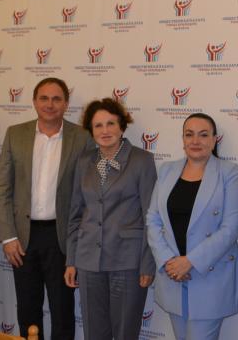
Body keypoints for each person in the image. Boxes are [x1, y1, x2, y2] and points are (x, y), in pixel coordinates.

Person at [0, 77, 91, 340]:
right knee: (27, 308)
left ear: (66, 104)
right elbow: (2, 188)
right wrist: (8, 236)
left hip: (61, 237)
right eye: (44, 98)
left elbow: (88, 194)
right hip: (22, 238)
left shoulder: (82, 138)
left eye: (57, 99)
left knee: (63, 310)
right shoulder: (15, 134)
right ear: (35, 102)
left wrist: (78, 241)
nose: (50, 104)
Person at [146, 113, 238, 340]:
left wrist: (190, 262)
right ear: (182, 139)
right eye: (189, 134)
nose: (195, 141)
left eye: (203, 135)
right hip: (173, 275)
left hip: (209, 275)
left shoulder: (229, 172)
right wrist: (168, 261)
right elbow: (152, 218)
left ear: (214, 139)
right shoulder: (167, 170)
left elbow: (231, 227)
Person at [64, 98, 156, 340]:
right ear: (91, 130)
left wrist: (147, 263)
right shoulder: (84, 161)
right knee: (94, 333)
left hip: (127, 261)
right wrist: (71, 260)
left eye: (111, 123)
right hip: (88, 261)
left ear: (122, 126)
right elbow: (75, 214)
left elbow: (151, 217)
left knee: (125, 332)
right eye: (98, 125)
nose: (105, 131)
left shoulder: (142, 160)